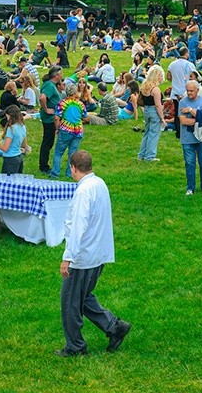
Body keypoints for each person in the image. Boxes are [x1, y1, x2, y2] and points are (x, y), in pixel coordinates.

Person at [56, 150, 130, 357]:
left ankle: (75, 347)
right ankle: (114, 326)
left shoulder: (83, 192)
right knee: (83, 297)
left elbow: (78, 226)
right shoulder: (100, 184)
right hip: (98, 253)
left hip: (83, 256)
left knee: (70, 302)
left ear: (73, 167)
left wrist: (67, 257)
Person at [177, 79, 202, 195]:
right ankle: (190, 187)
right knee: (190, 163)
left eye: (191, 91)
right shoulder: (182, 102)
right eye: (187, 91)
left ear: (197, 90)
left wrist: (191, 110)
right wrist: (198, 119)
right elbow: (182, 121)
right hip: (187, 138)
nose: (189, 93)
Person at [136, 65, 166, 161]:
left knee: (147, 133)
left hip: (147, 110)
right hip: (154, 111)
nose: (162, 78)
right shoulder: (155, 89)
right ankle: (150, 156)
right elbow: (158, 105)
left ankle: (141, 154)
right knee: (154, 134)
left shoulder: (145, 86)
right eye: (160, 76)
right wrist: (162, 118)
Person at [39, 66, 64, 173]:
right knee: (47, 142)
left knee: (48, 141)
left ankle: (44, 164)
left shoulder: (51, 84)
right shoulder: (49, 85)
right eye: (60, 74)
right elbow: (42, 97)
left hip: (51, 118)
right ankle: (43, 166)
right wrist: (47, 109)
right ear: (56, 75)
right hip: (49, 118)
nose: (62, 76)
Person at [166, 47, 195, 134]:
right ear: (186, 54)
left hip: (175, 92)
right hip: (187, 92)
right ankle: (186, 130)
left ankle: (178, 131)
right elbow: (194, 77)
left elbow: (168, 77)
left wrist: (175, 79)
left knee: (177, 113)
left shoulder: (172, 64)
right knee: (187, 112)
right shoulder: (190, 65)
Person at [0, 105, 29, 174]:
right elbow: (24, 144)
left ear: (11, 116)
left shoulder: (11, 129)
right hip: (19, 157)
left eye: (7, 117)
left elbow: (5, 148)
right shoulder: (22, 126)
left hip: (10, 158)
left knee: (7, 181)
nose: (7, 119)